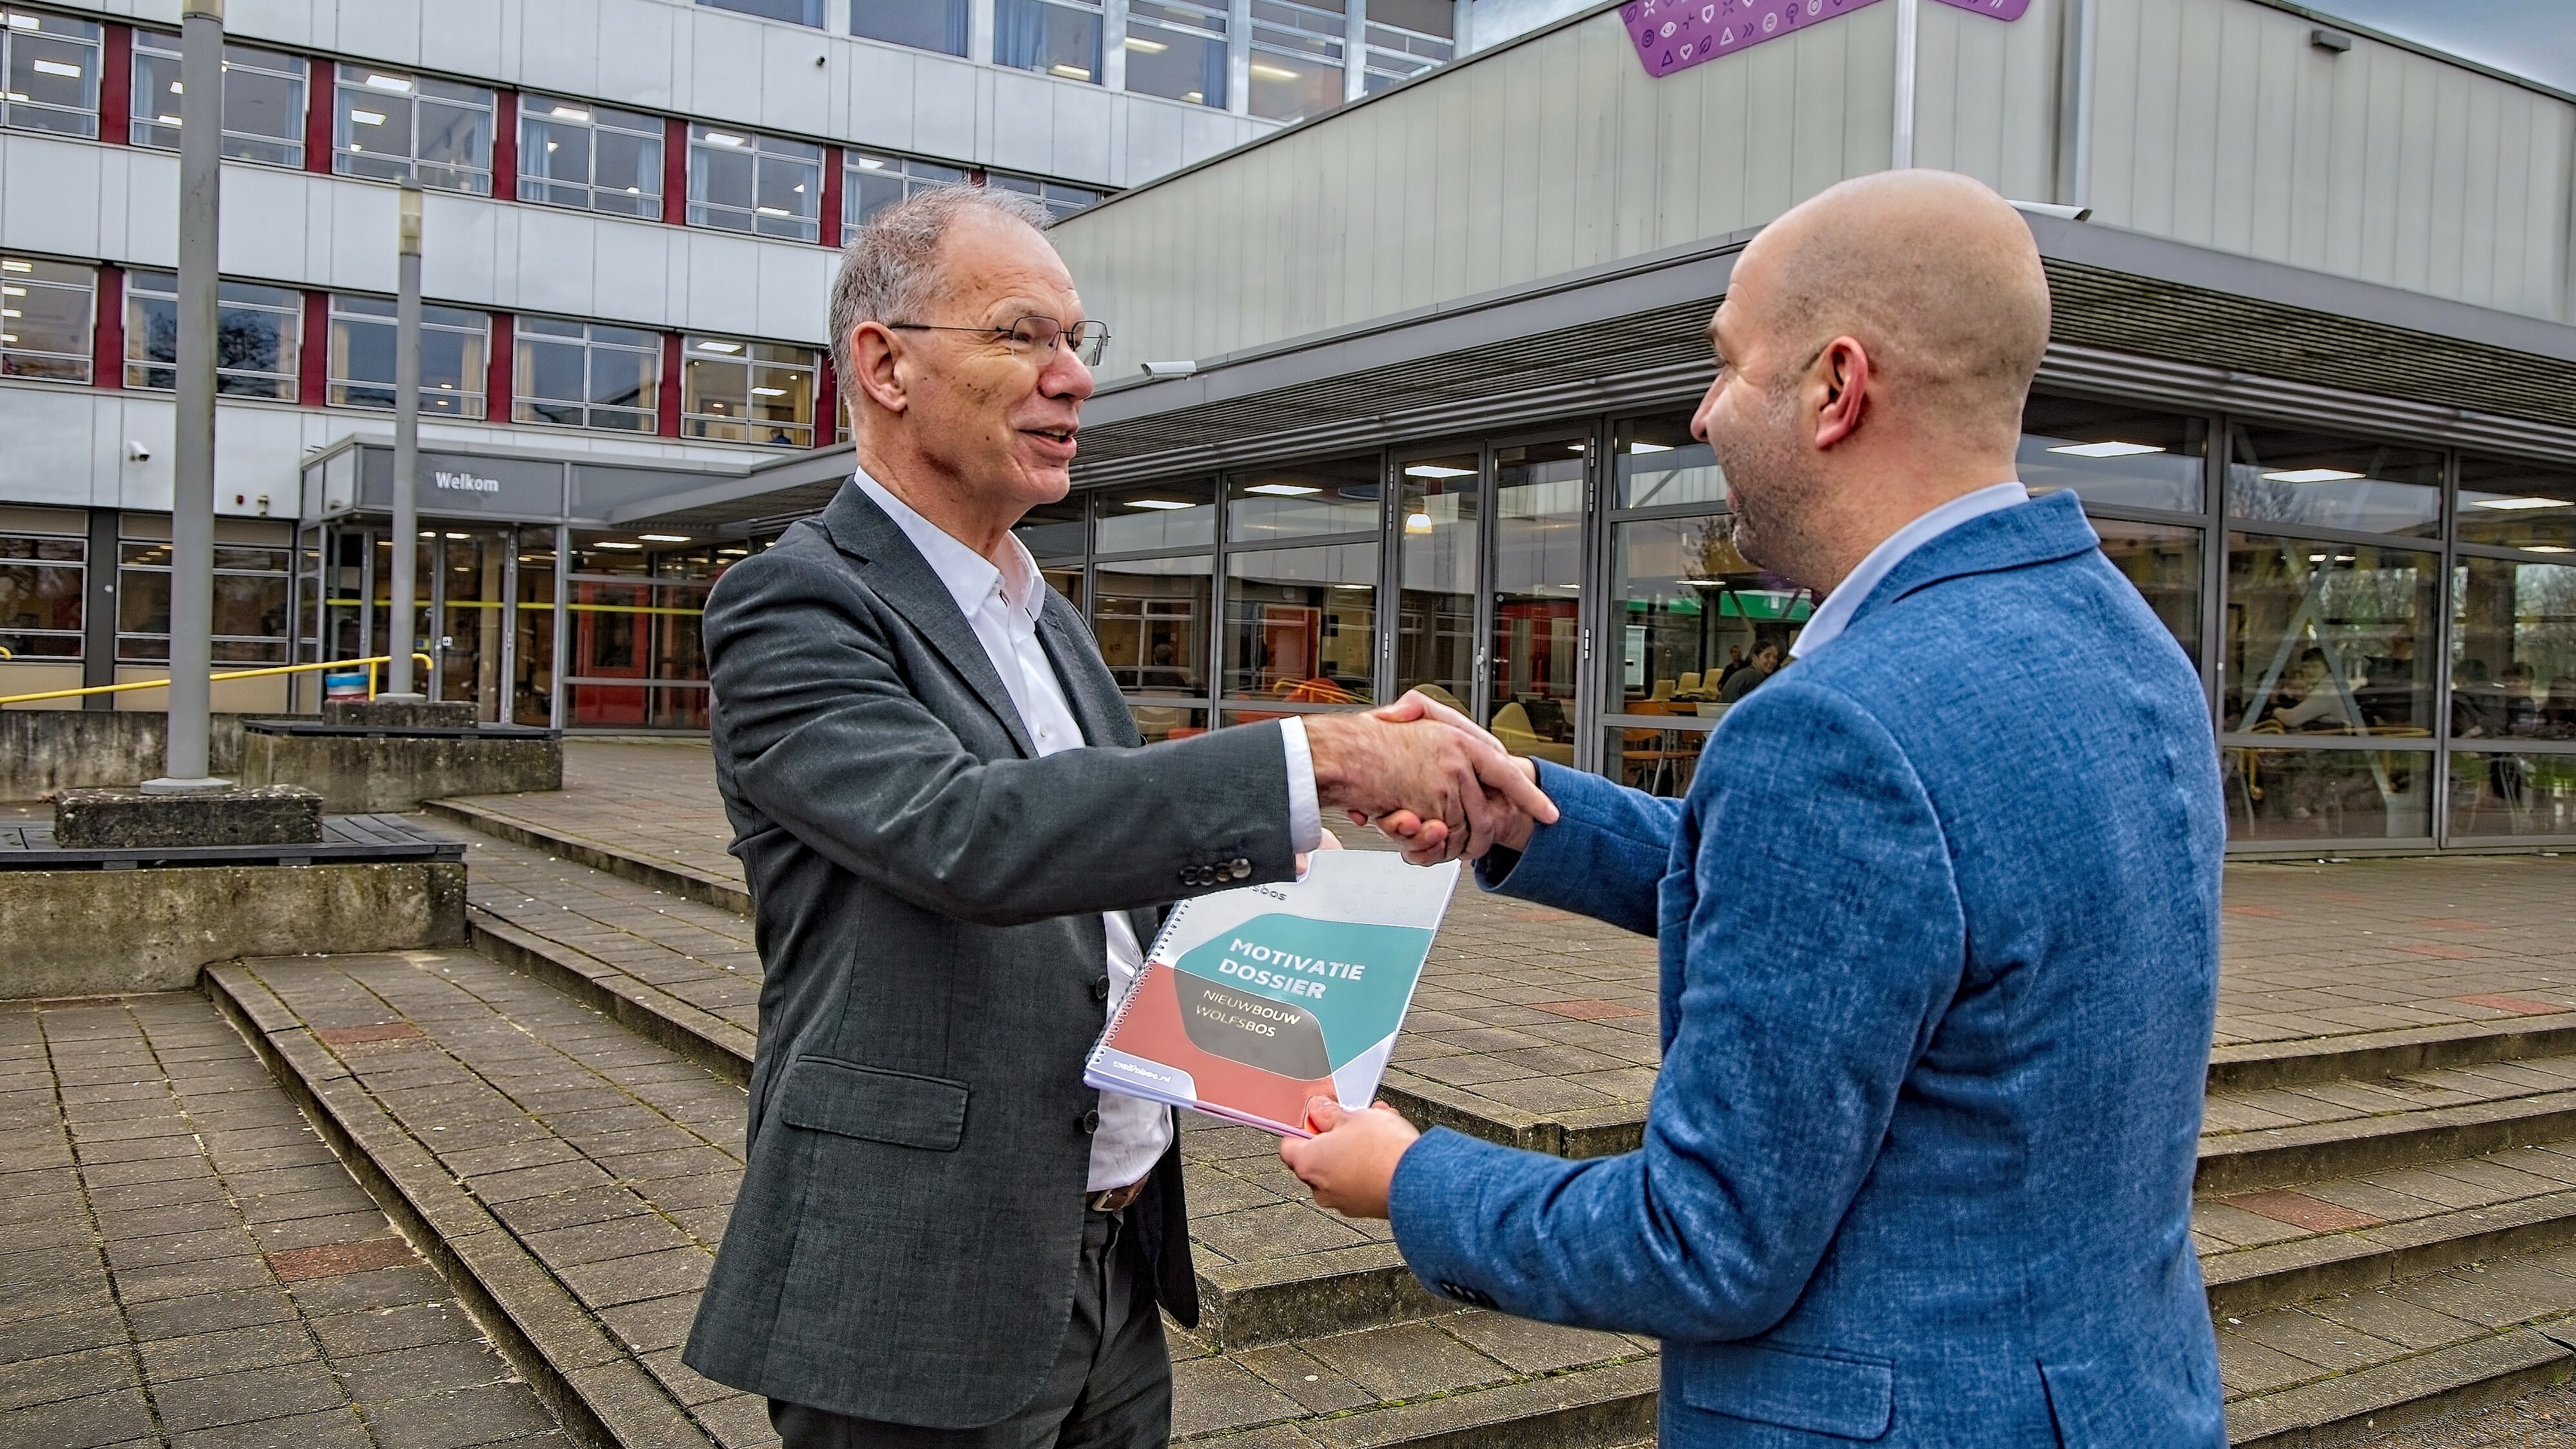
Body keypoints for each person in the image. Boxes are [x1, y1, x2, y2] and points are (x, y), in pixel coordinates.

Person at [1283, 170, 2225, 1446]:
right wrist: (1524, 810)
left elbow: (1701, 1240)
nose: (1699, 412)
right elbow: (1886, 899)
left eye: (1724, 365)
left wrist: (1407, 1175)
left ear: (1835, 389)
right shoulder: (2119, 640)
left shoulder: (1834, 727)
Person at [680, 186, 1552, 1449]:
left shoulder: (1049, 622)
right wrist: (1319, 754)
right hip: (917, 1282)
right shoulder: (791, 605)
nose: (1073, 377)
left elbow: (1113, 859)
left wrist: (1329, 845)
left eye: (1080, 339)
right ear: (885, 365)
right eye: (1022, 334)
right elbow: (963, 833)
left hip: (1110, 1258)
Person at [2271, 648, 2350, 731]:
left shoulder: (2326, 692)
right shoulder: (2329, 685)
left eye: (2315, 666)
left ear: (2327, 668)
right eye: (2305, 667)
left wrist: (2276, 710)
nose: (2310, 671)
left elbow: (2291, 719)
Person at [1715, 640, 1780, 703]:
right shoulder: (1755, 676)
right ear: (1754, 657)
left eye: (1775, 657)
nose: (1773, 661)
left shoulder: (1746, 673)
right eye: (1767, 656)